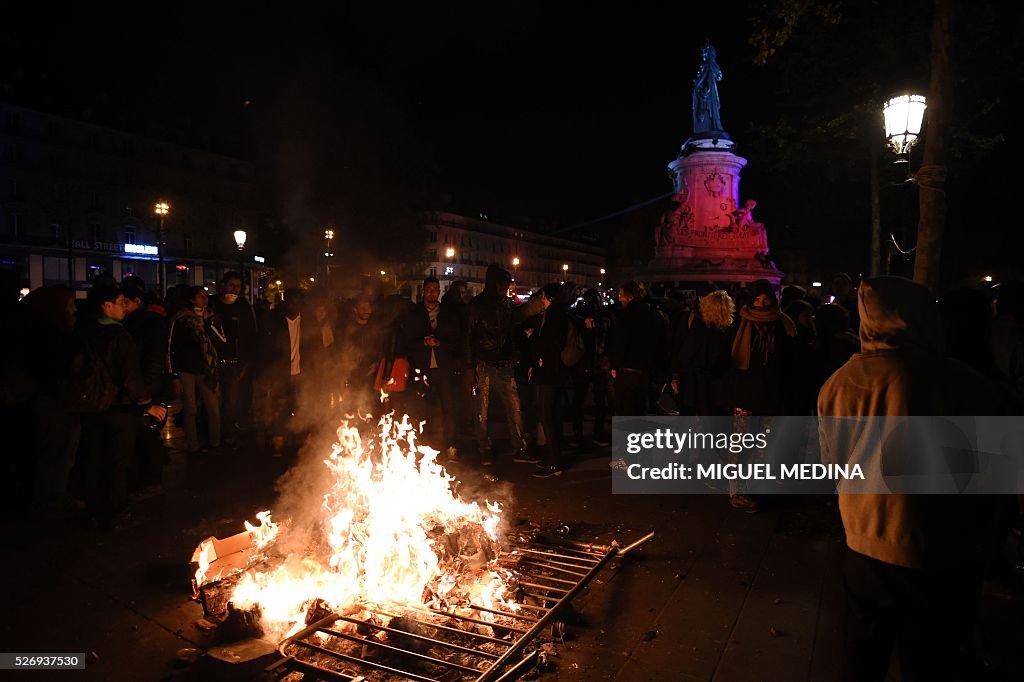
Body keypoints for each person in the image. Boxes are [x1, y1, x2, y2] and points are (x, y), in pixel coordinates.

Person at [818, 276, 1003, 682]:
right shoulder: (966, 383)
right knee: (929, 659)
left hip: (865, 542)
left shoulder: (840, 384)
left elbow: (833, 463)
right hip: (941, 548)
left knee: (862, 657)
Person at [78, 283, 166, 528]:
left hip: (91, 408)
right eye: (119, 302)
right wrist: (146, 404)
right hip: (119, 410)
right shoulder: (118, 335)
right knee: (118, 462)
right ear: (107, 306)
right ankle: (115, 514)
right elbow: (130, 377)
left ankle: (93, 511)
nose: (124, 307)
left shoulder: (83, 329)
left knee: (94, 459)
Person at [728, 279, 796, 512]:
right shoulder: (740, 323)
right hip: (746, 393)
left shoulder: (783, 324)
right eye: (757, 298)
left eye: (765, 297)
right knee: (741, 444)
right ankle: (737, 491)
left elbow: (790, 359)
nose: (762, 301)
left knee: (763, 445)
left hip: (772, 394)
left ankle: (755, 488)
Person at [465, 265, 543, 465]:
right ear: (494, 283)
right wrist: (469, 366)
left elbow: (513, 330)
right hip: (483, 364)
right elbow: (468, 336)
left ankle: (520, 448)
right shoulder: (477, 305)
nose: (506, 287)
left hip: (505, 365)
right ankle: (484, 448)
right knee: (481, 411)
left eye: (507, 284)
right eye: (503, 283)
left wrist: (516, 353)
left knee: (515, 408)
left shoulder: (507, 304)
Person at [399, 277, 464, 460]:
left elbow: (456, 341)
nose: (432, 292)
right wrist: (423, 343)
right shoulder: (414, 314)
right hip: (422, 369)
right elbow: (406, 342)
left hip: (444, 368)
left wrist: (439, 342)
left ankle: (451, 444)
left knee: (448, 407)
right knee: (422, 408)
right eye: (429, 289)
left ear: (439, 291)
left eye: (436, 289)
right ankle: (421, 445)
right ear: (423, 291)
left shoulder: (448, 315)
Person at [168, 286, 220, 453]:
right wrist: (173, 374)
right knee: (191, 408)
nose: (204, 299)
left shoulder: (211, 318)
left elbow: (218, 341)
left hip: (206, 368)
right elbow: (171, 347)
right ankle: (193, 446)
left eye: (206, 296)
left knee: (213, 406)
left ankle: (215, 443)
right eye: (200, 296)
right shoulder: (181, 319)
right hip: (186, 368)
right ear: (191, 299)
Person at [209, 271, 258, 442]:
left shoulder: (244, 307)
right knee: (211, 403)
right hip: (212, 363)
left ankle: (228, 434)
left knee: (230, 401)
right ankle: (214, 434)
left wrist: (246, 364)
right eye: (231, 285)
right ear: (222, 285)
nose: (234, 290)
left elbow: (251, 336)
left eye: (238, 286)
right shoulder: (212, 304)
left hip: (234, 363)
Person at [529, 283, 569, 478]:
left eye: (542, 297)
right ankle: (552, 457)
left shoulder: (553, 314)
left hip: (550, 372)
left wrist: (532, 336)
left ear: (547, 296)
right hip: (553, 371)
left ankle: (554, 463)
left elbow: (548, 344)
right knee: (549, 414)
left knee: (545, 415)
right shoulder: (560, 312)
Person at [672, 290, 734, 416]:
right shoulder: (728, 329)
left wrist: (677, 375)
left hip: (699, 384)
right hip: (717, 386)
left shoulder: (700, 327)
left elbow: (685, 355)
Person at [608, 281, 656, 417]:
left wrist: (614, 365)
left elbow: (619, 342)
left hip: (627, 370)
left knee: (625, 411)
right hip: (645, 370)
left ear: (629, 296)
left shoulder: (625, 315)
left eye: (621, 295)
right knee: (640, 411)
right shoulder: (652, 313)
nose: (619, 298)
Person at [569, 289, 611, 446]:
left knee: (579, 400)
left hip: (583, 362)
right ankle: (597, 433)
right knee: (599, 400)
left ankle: (577, 433)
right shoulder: (604, 318)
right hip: (599, 363)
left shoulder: (579, 318)